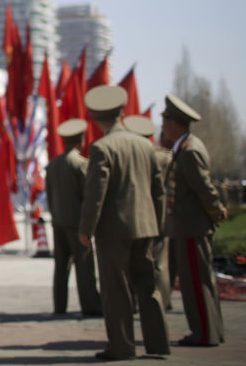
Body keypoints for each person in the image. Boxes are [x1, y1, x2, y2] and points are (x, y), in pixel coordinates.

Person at [78, 86, 169, 360]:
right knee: (148, 287)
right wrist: (158, 224)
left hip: (115, 231)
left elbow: (96, 194)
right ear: (122, 112)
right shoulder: (145, 144)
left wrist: (86, 229)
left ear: (96, 118)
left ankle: (121, 346)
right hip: (146, 227)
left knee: (116, 290)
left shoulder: (102, 147)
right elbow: (159, 190)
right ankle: (158, 344)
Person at [160, 94, 226, 347]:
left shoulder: (189, 151)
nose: (163, 128)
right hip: (188, 226)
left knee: (195, 283)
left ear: (175, 123)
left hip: (191, 227)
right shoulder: (185, 148)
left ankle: (204, 333)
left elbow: (203, 187)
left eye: (165, 122)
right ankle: (211, 330)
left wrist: (216, 210)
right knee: (200, 281)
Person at [46, 118, 101, 316]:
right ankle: (90, 305)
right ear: (81, 140)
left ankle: (59, 305)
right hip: (77, 224)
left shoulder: (52, 165)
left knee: (61, 266)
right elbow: (88, 196)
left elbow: (50, 196)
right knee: (84, 266)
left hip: (58, 222)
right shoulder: (80, 164)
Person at [123, 115, 174, 312]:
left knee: (134, 264)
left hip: (138, 215)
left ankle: (135, 301)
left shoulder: (134, 156)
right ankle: (163, 300)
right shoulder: (163, 156)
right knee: (160, 262)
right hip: (160, 214)